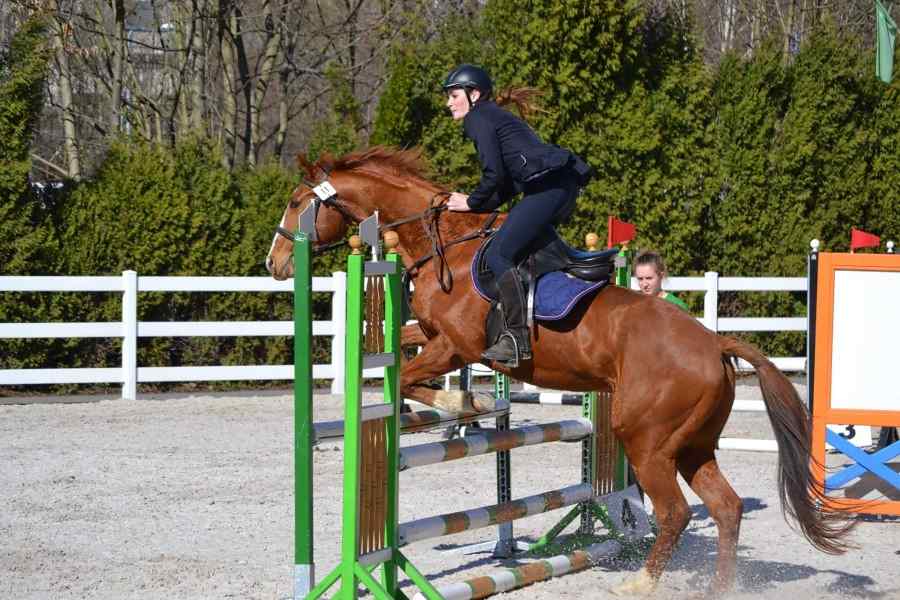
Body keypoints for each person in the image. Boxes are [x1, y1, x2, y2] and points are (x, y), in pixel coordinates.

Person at [442, 64, 592, 367]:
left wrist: (472, 201)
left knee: (499, 255)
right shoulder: (494, 117)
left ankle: (515, 338)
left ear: (474, 95)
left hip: (549, 189)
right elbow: (509, 184)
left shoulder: (478, 118)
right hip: (559, 187)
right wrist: (479, 204)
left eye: (454, 95)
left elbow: (493, 175)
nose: (449, 103)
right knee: (522, 249)